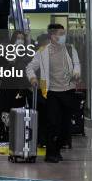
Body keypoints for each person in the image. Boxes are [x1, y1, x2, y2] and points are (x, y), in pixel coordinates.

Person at [26, 24, 81, 163]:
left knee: (66, 125)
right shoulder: (42, 52)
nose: (63, 36)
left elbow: (77, 64)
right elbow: (30, 67)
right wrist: (32, 78)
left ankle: (56, 149)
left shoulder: (70, 48)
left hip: (68, 90)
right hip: (51, 92)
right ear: (52, 36)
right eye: (60, 33)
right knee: (52, 123)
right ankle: (50, 153)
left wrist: (76, 73)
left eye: (64, 33)